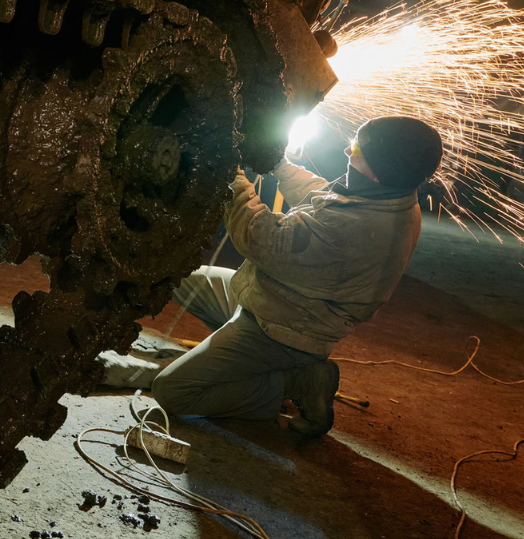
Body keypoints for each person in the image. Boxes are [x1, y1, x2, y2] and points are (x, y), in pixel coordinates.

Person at [151, 115, 444, 437]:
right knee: (181, 277)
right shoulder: (390, 195)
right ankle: (242, 364)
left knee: (173, 392)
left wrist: (231, 175)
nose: (349, 151)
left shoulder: (354, 228)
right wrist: (277, 162)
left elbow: (258, 235)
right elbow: (320, 194)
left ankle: (299, 381)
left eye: (357, 147)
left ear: (379, 168)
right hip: (272, 301)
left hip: (284, 331)